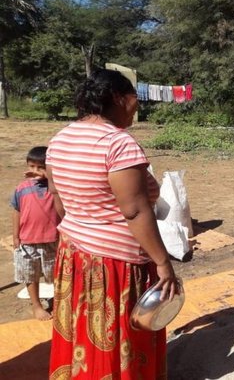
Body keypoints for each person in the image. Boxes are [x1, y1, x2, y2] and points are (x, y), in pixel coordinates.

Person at [46, 69, 179, 378]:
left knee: (82, 331)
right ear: (120, 99)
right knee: (119, 337)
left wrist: (85, 228)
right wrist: (162, 262)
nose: (137, 109)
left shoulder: (61, 138)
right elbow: (134, 211)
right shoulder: (118, 144)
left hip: (74, 255)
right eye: (134, 101)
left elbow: (58, 199)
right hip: (115, 266)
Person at [10, 146, 61, 320]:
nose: (35, 171)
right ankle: (37, 306)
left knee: (56, 274)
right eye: (32, 167)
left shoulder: (56, 188)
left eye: (41, 167)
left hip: (53, 240)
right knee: (30, 274)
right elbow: (16, 211)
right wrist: (16, 235)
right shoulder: (22, 188)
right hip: (27, 241)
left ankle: (58, 302)